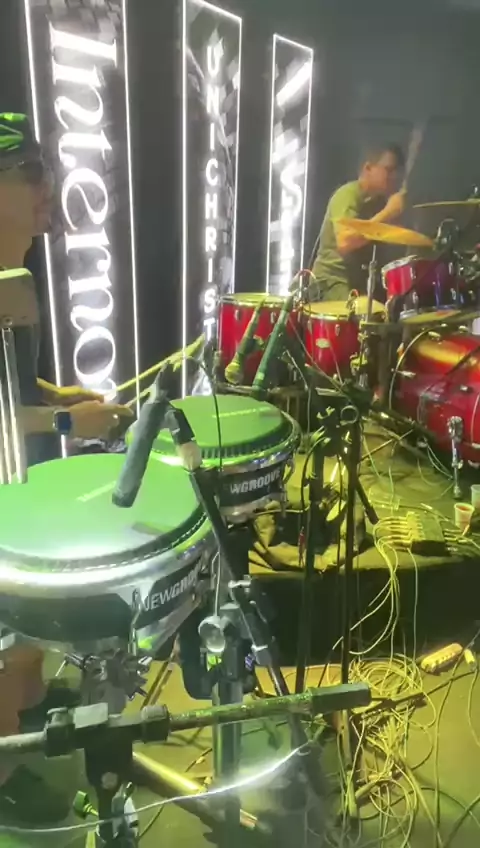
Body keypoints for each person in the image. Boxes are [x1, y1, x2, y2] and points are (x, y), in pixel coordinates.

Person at [0, 112, 133, 825]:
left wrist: (59, 396)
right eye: (30, 175)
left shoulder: (15, 273)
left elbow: (12, 384)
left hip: (17, 485)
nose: (46, 189)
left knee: (23, 639)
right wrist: (66, 424)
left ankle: (24, 702)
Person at [311, 143, 406, 302]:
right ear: (368, 168)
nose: (394, 177)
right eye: (388, 170)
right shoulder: (348, 195)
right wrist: (388, 213)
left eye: (396, 172)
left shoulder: (378, 202)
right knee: (367, 312)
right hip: (331, 283)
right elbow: (345, 243)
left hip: (358, 284)